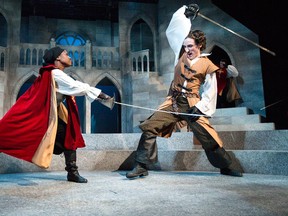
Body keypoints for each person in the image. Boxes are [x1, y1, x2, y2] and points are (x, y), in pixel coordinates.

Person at [126, 5, 243, 179]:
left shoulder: (208, 65)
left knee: (208, 135)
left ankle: (226, 166)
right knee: (149, 127)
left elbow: (210, 91)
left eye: (191, 46)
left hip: (192, 104)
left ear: (200, 45)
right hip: (173, 102)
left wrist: (201, 108)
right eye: (186, 46)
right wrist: (184, 13)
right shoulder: (179, 54)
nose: (187, 49)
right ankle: (141, 165)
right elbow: (173, 31)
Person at [0, 46, 112, 183]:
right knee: (5, 137)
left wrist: (98, 95)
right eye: (66, 54)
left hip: (48, 116)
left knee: (69, 136)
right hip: (37, 116)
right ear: (58, 57)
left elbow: (73, 86)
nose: (69, 56)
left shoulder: (53, 74)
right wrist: (100, 94)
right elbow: (75, 86)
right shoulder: (54, 73)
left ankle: (72, 172)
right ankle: (72, 172)